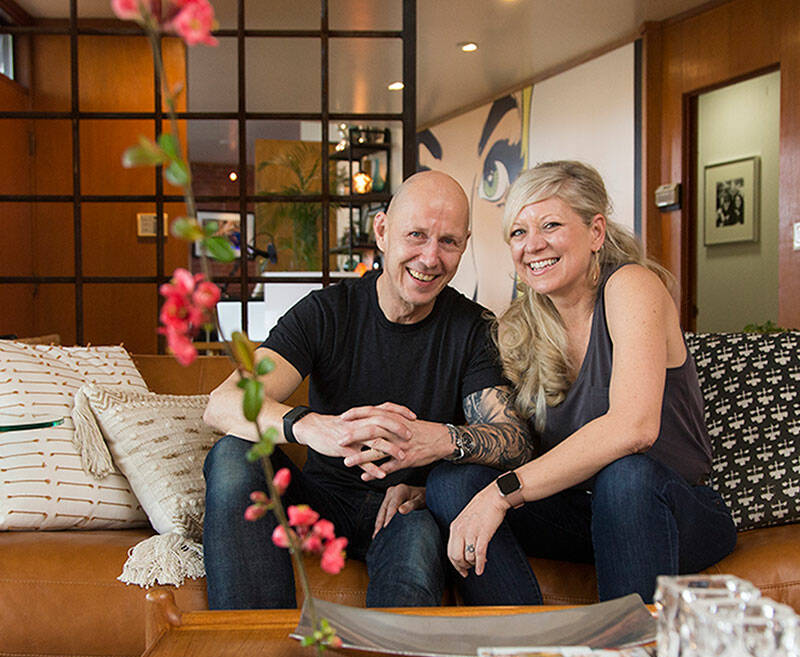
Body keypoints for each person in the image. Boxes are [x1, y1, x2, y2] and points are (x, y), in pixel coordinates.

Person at [202, 170, 532, 610]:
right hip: (320, 503)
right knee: (233, 454)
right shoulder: (326, 312)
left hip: (408, 510)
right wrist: (311, 426)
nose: (430, 258)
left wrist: (440, 442)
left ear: (465, 244)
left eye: (448, 242)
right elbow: (221, 405)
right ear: (382, 231)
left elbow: (515, 442)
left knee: (416, 542)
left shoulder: (475, 329)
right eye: (416, 235)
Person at [425, 161, 737, 605]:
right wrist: (433, 486)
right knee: (450, 484)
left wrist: (502, 493)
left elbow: (634, 429)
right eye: (518, 233)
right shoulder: (519, 327)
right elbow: (514, 443)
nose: (533, 245)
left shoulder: (631, 287)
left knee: (625, 477)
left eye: (550, 225)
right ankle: (529, 651)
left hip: (667, 510)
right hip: (579, 515)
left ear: (595, 232)